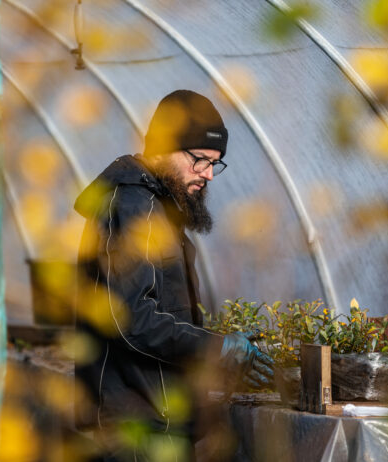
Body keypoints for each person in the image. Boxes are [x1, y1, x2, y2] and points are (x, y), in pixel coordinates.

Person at [73, 90, 275, 461]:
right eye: (200, 160)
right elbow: (129, 319)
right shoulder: (135, 206)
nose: (209, 174)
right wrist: (218, 347)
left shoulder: (158, 209)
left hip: (152, 425)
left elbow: (164, 311)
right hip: (132, 433)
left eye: (216, 164)